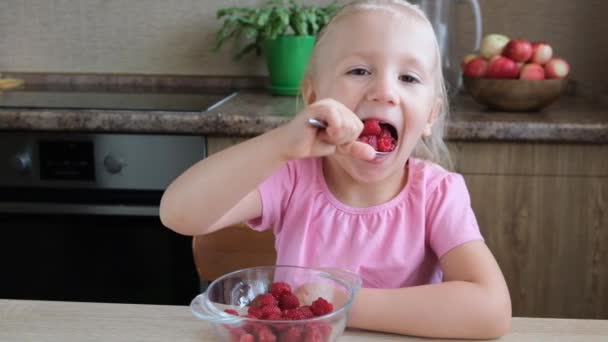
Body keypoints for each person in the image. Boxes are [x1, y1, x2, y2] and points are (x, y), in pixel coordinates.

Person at [160, 0, 511, 338]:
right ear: (314, 98)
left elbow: (490, 310)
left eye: (408, 77)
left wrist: (343, 305)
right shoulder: (292, 177)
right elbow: (179, 214)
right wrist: (279, 144)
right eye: (359, 71)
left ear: (430, 115)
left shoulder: (437, 194)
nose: (385, 91)